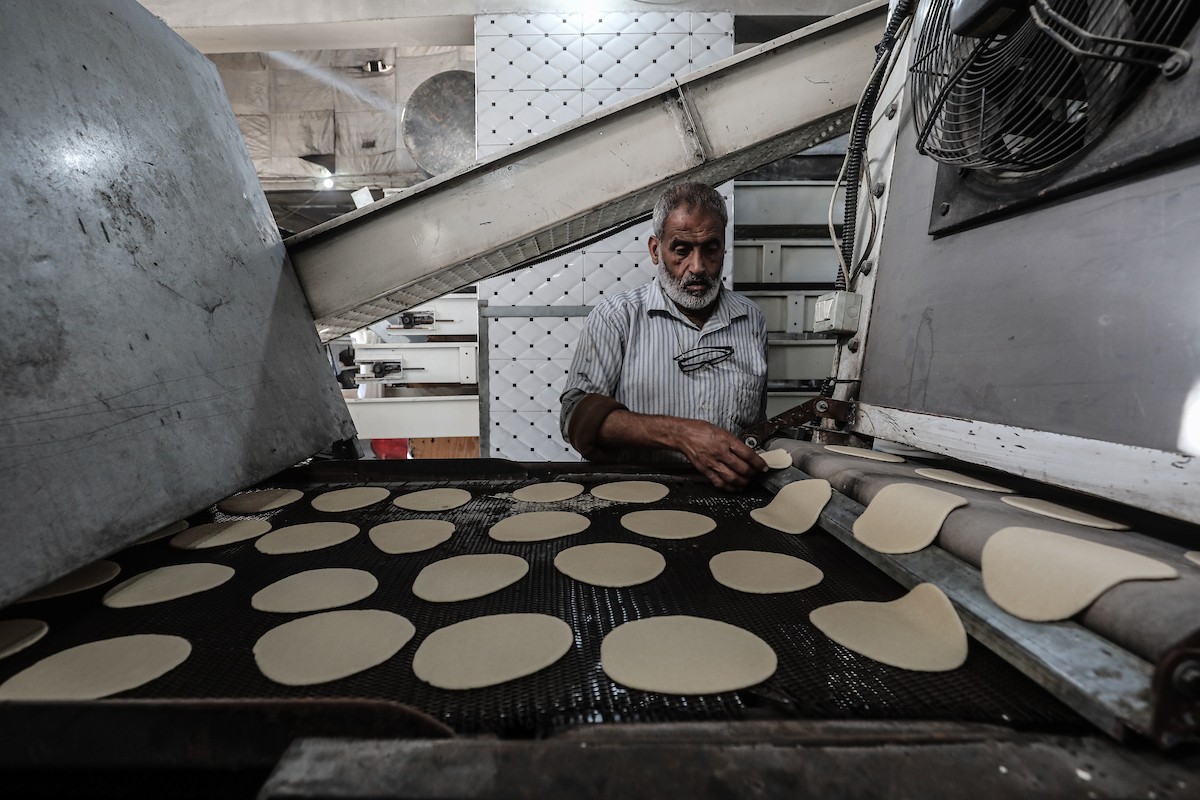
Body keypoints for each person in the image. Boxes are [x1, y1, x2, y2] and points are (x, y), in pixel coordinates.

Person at [559, 182, 769, 490]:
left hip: (727, 501)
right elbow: (574, 416)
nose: (697, 267)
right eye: (682, 250)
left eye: (710, 248)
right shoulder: (617, 317)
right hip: (632, 493)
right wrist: (680, 434)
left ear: (723, 247)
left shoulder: (751, 320)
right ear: (656, 250)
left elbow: (757, 426)